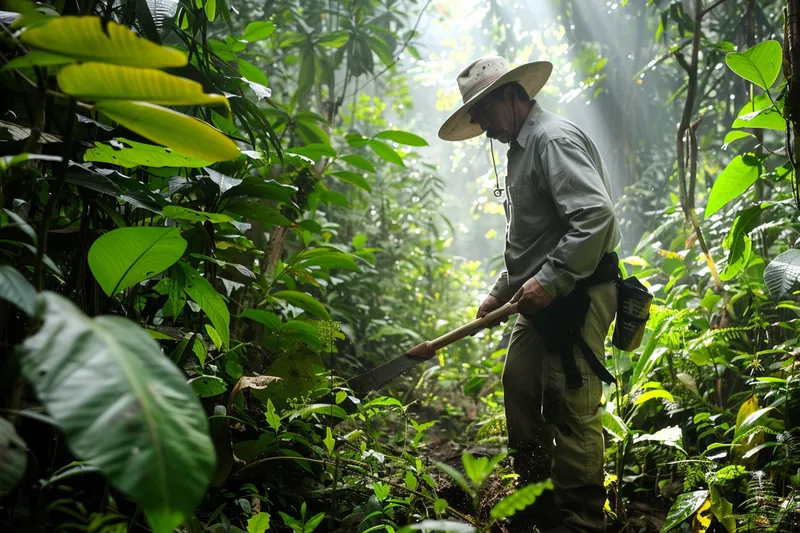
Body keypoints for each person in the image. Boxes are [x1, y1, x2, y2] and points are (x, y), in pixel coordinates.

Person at [438, 56, 621, 533]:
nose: (478, 124)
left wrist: (552, 280)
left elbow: (595, 218)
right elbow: (532, 239)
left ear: (512, 95)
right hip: (539, 297)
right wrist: (502, 292)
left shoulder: (551, 139)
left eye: (482, 110)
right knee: (520, 385)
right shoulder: (520, 148)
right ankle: (538, 505)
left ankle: (581, 520)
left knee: (571, 407)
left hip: (578, 293)